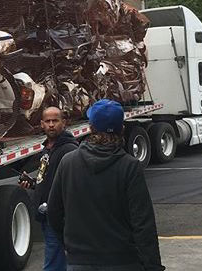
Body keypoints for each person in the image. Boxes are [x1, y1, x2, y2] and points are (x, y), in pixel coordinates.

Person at [47, 99, 165, 271]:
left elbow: (53, 212)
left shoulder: (68, 162)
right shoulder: (129, 166)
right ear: (121, 129)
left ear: (91, 128)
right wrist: (153, 266)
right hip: (123, 261)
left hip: (80, 261)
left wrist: (70, 244)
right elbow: (143, 223)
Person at [20, 106, 78, 271]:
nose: (51, 124)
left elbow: (71, 186)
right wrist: (31, 183)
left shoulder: (69, 150)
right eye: (48, 121)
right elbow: (47, 179)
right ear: (42, 124)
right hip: (47, 216)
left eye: (55, 120)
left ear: (63, 123)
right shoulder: (47, 149)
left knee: (53, 263)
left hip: (58, 217)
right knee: (57, 260)